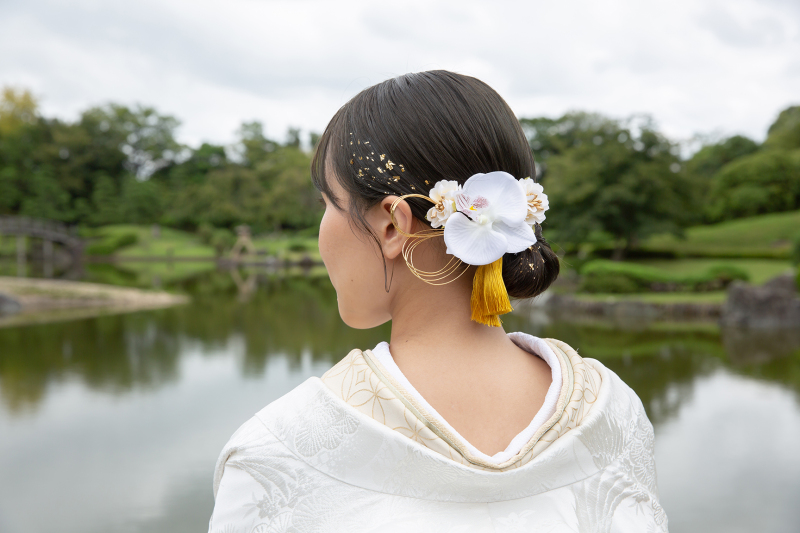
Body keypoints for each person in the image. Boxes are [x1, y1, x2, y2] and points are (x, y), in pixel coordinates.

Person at [208, 70, 667, 533]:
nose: (321, 230)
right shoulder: (615, 414)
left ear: (392, 225)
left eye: (329, 202)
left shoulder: (282, 450)